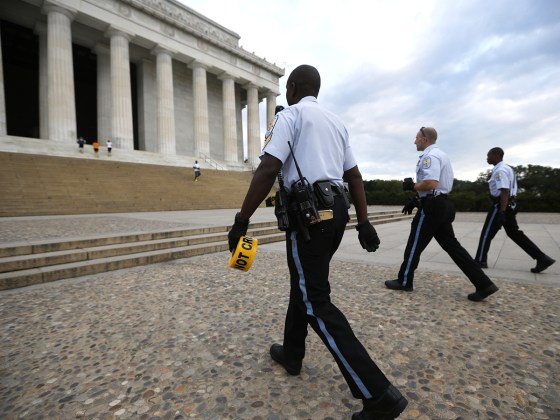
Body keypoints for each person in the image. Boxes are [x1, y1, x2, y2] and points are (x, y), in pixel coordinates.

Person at [227, 65, 408, 420]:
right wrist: (364, 222)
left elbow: (267, 169)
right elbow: (354, 176)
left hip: (311, 216)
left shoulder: (291, 116)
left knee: (316, 302)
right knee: (305, 285)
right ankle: (292, 352)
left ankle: (378, 394)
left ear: (292, 87)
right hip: (336, 212)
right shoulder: (336, 122)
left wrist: (241, 220)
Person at [385, 127, 499, 302]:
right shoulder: (442, 155)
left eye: (416, 138)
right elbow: (436, 186)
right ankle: (484, 284)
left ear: (424, 139)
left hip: (432, 208)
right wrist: (417, 199)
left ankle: (404, 280)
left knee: (414, 244)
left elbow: (431, 183)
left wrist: (412, 186)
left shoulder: (429, 157)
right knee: (453, 247)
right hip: (441, 204)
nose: (414, 141)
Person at [474, 147, 555, 273]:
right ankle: (542, 258)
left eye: (488, 155)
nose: (487, 158)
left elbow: (504, 191)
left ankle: (480, 260)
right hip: (510, 205)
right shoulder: (508, 168)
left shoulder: (500, 171)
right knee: (515, 234)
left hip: (500, 205)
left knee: (486, 234)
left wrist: (501, 211)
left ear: (496, 155)